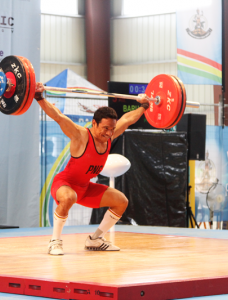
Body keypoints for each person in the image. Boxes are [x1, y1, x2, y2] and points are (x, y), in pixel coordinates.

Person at [35, 82, 149, 255]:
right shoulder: (80, 135)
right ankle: (55, 241)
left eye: (112, 129)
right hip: (65, 184)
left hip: (85, 188)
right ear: (94, 123)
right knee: (69, 197)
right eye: (105, 128)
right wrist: (38, 97)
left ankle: (95, 239)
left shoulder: (109, 135)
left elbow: (127, 119)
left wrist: (145, 106)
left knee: (121, 201)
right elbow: (58, 116)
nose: (109, 133)